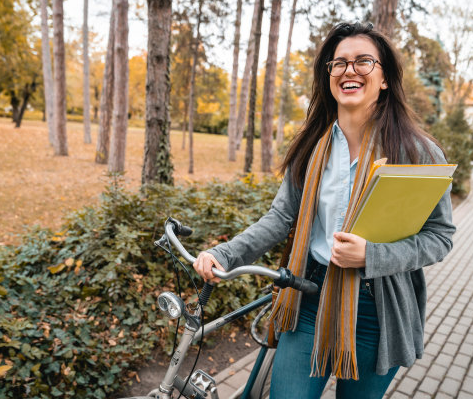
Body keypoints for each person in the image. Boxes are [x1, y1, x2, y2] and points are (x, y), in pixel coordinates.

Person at [193, 22, 455, 399]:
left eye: (364, 62)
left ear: (384, 79)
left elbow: (439, 238)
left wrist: (372, 254)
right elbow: (281, 218)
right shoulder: (311, 149)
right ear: (329, 77)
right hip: (308, 295)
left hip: (377, 310)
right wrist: (225, 253)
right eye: (339, 63)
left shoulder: (417, 153)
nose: (349, 70)